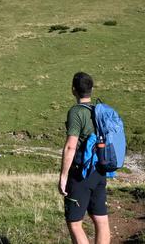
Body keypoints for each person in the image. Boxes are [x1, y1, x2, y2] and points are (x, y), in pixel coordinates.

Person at [58, 72, 110, 244]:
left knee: (74, 222)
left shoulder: (76, 112)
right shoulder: (99, 111)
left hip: (81, 173)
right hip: (100, 170)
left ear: (73, 90)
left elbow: (71, 146)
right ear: (92, 89)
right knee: (101, 219)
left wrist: (63, 176)